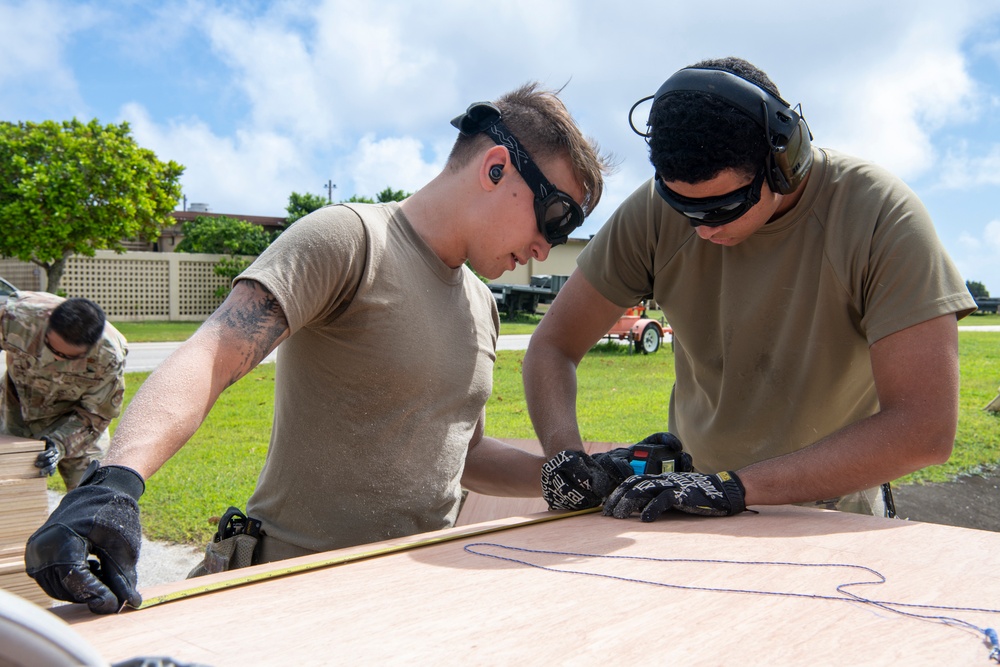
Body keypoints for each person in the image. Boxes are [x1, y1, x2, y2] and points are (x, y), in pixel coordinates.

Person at [25, 82, 612, 614]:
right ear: (495, 167)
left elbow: (464, 452)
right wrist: (116, 483)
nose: (546, 248)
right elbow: (213, 356)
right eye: (555, 217)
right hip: (291, 588)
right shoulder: (351, 241)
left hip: (413, 597)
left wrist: (568, 476)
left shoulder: (481, 304)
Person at [528, 57, 977, 523]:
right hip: (688, 498)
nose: (702, 230)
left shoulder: (880, 217)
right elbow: (553, 347)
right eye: (684, 208)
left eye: (723, 208)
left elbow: (924, 427)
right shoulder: (653, 213)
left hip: (834, 512)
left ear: (786, 162)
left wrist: (735, 487)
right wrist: (570, 460)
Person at [1, 291, 127, 490]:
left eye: (68, 357)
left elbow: (95, 416)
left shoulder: (109, 356)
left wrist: (58, 445)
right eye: (52, 348)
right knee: (13, 490)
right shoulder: (16, 316)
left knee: (90, 497)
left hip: (76, 423)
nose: (57, 359)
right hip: (18, 407)